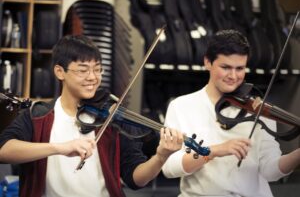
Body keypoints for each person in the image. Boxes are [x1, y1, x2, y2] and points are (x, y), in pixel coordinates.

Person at [0, 35, 184, 197]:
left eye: (97, 69)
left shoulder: (110, 119)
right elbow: (4, 151)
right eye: (83, 70)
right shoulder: (38, 115)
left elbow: (136, 180)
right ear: (59, 72)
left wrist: (160, 157)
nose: (92, 77)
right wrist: (59, 148)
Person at [162, 29, 300, 197]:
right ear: (207, 62)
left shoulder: (258, 109)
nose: (233, 76)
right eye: (226, 67)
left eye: (240, 68)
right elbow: (169, 168)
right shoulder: (181, 106)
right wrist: (213, 151)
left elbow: (270, 171)